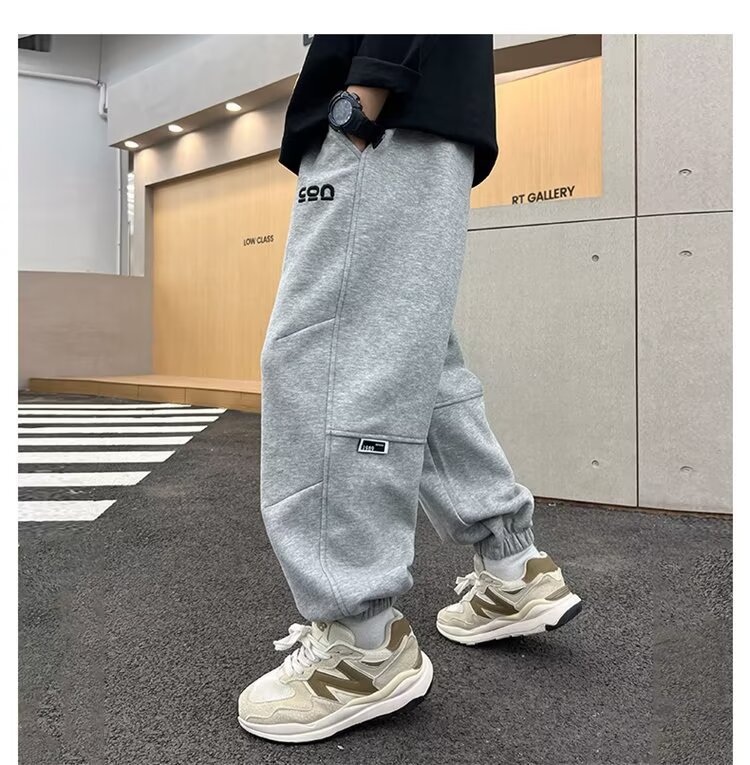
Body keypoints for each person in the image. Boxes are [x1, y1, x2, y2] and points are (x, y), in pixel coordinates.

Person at [237, 34, 581, 743]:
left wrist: (366, 92)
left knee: (324, 360)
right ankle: (512, 566)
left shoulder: (373, 103)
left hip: (380, 115)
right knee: (410, 354)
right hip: (414, 111)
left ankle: (361, 648)